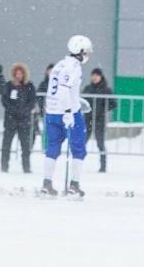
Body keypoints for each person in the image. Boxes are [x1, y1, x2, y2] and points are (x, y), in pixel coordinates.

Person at [41, 35, 93, 198]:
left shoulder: (59, 64)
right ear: (80, 51)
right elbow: (64, 89)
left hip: (52, 111)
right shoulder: (74, 67)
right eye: (85, 52)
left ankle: (46, 184)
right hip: (67, 112)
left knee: (52, 147)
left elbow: (60, 90)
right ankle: (74, 186)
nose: (86, 55)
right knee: (78, 148)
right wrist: (70, 112)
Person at [0, 63, 37, 173]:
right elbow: (4, 100)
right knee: (6, 145)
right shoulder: (9, 85)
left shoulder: (29, 86)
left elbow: (32, 101)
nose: (18, 75)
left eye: (20, 73)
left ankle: (26, 167)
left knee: (25, 147)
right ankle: (4, 166)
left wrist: (24, 111)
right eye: (16, 73)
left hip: (24, 120)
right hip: (10, 120)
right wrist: (13, 110)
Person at [82, 68, 115, 173]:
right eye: (93, 75)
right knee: (82, 142)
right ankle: (77, 163)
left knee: (100, 143)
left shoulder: (106, 90)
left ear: (101, 77)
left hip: (99, 120)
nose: (94, 77)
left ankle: (103, 166)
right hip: (87, 119)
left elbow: (113, 103)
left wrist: (102, 110)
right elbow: (82, 101)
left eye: (97, 75)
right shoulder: (87, 88)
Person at [34, 64, 53, 147]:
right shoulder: (43, 84)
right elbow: (38, 97)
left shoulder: (58, 84)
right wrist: (42, 107)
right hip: (45, 111)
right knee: (46, 129)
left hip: (56, 110)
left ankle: (53, 146)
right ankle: (45, 147)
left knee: (55, 130)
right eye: (50, 70)